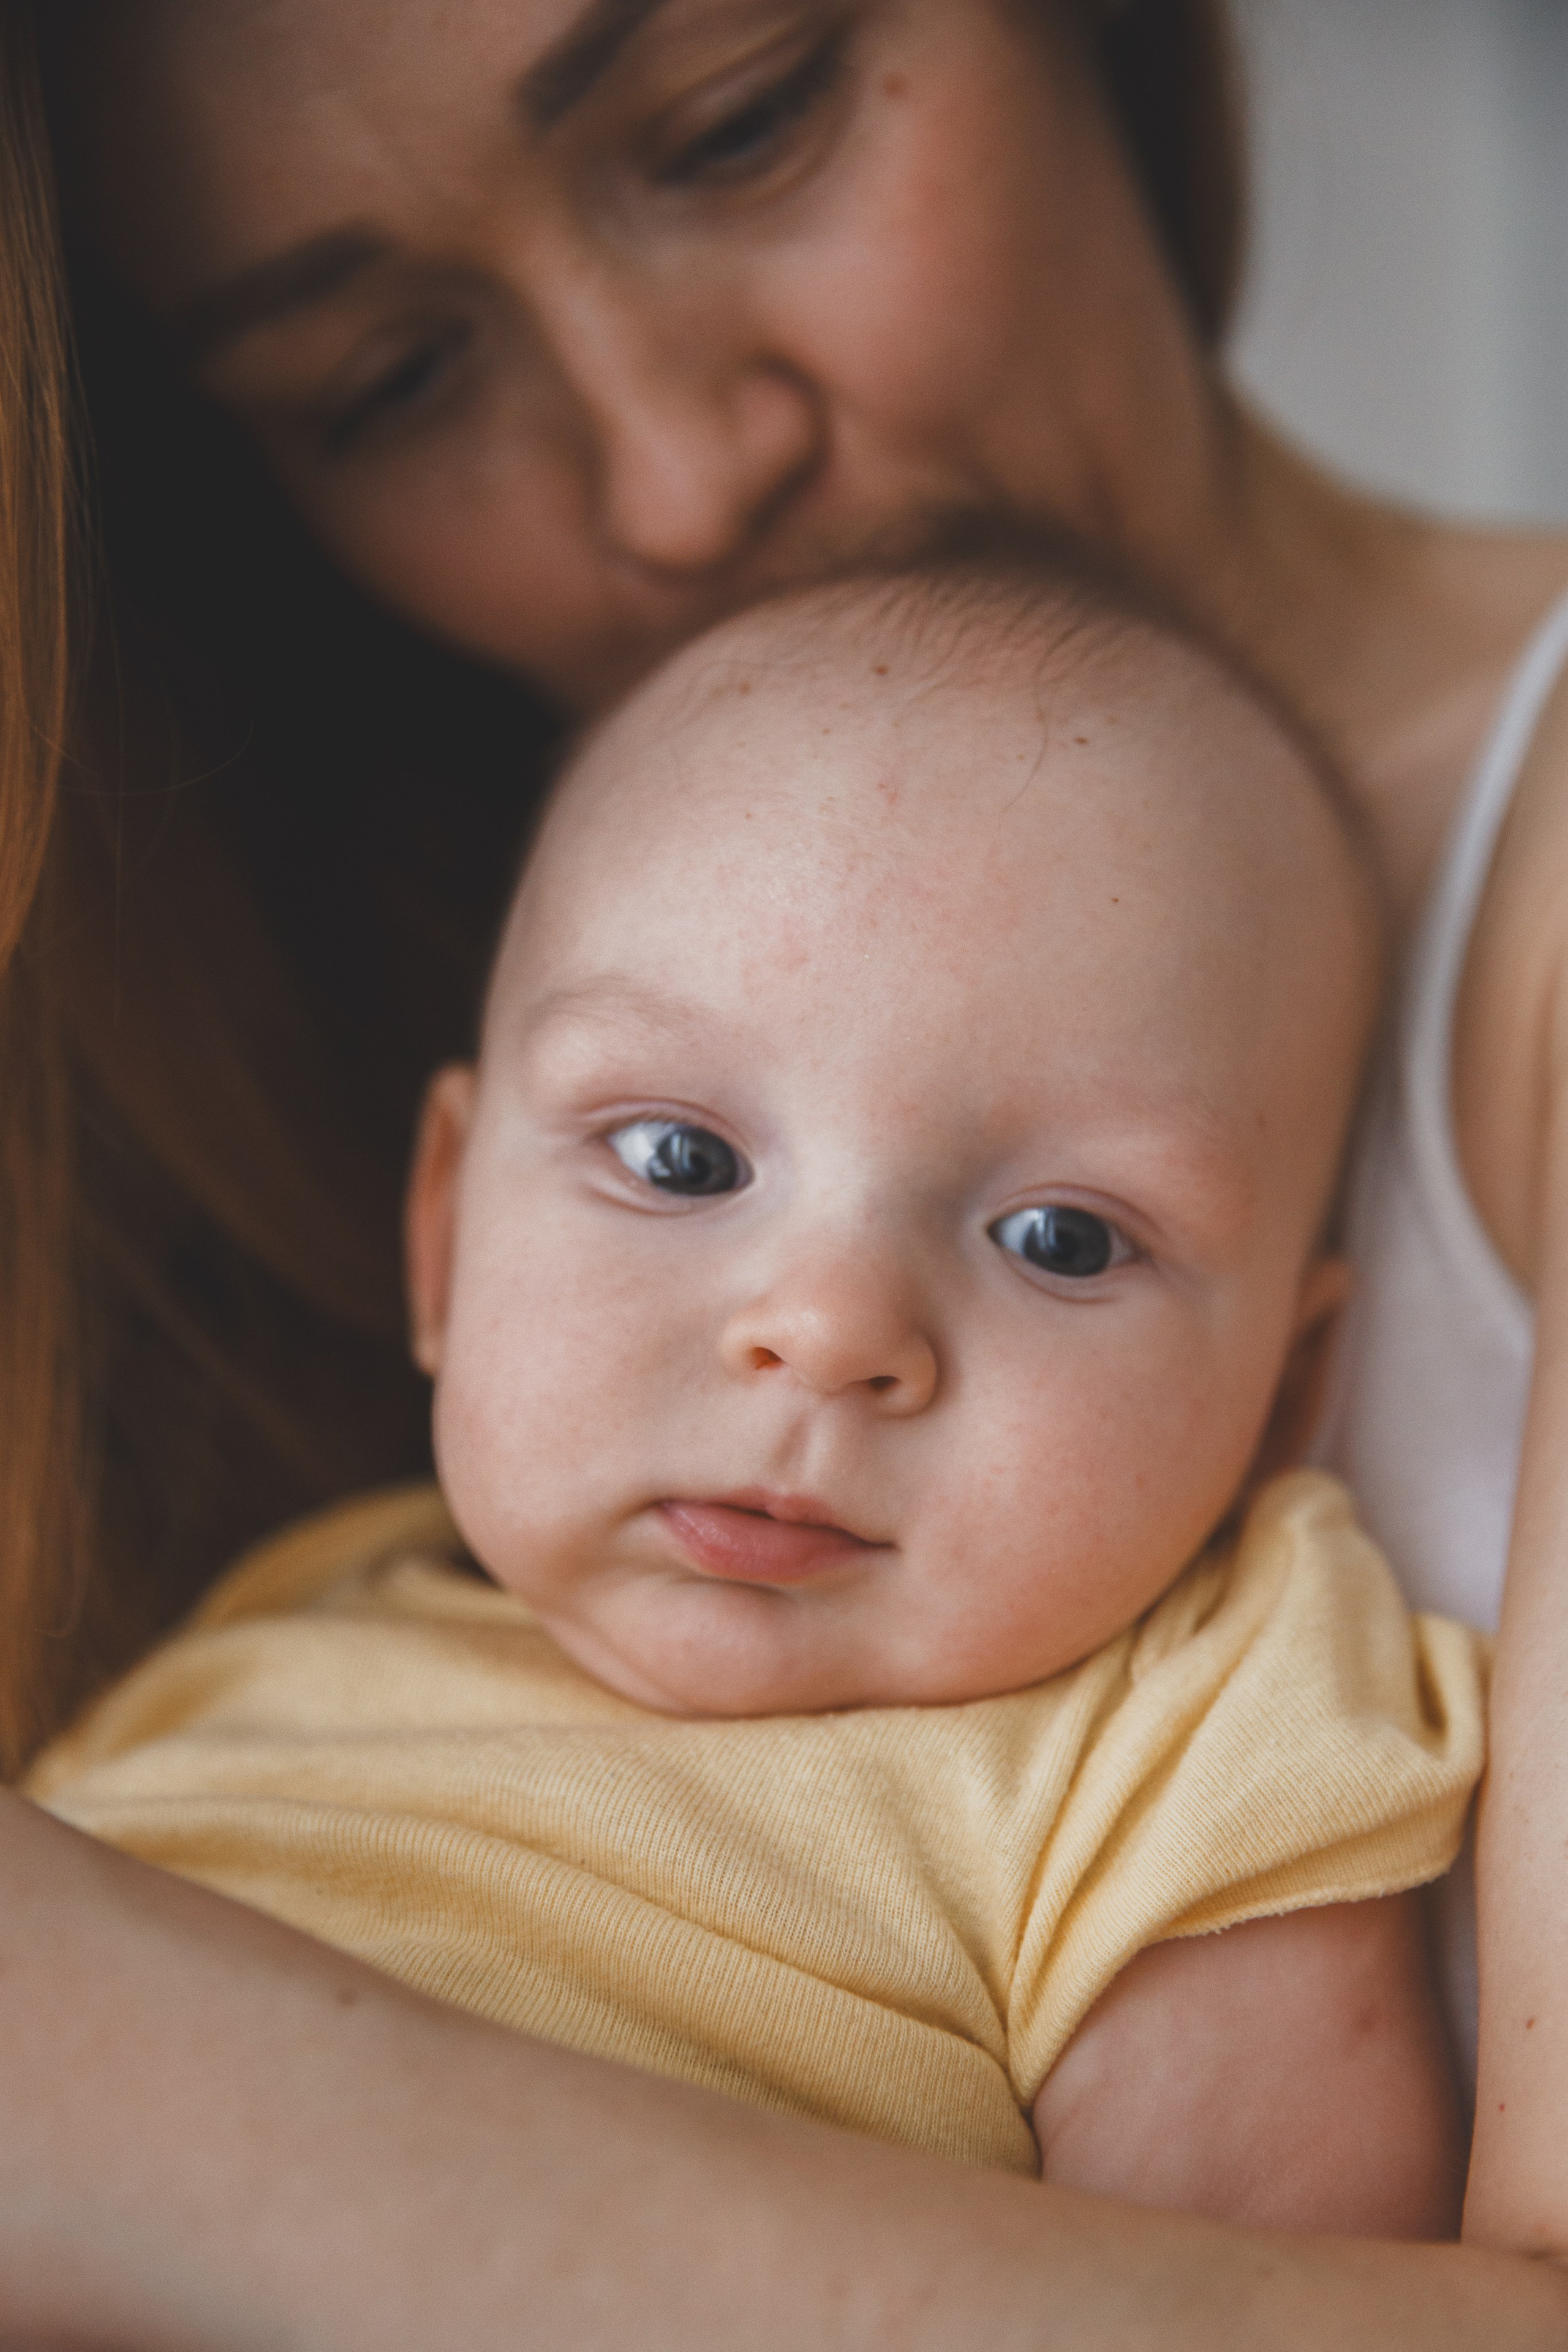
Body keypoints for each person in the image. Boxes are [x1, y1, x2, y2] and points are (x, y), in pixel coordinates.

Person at [4, 0, 1568, 2342]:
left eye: (740, 122)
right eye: (388, 381)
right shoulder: (317, 1562)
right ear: (448, 1219)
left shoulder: (1212, 1724)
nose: (669, 476)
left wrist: (143, 2085)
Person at [29, 556, 1482, 2236]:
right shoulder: (265, 1636)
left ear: (1288, 1394)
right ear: (444, 1239)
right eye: (679, 1156)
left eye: (1064, 1238)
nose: (827, 1327)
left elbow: (1266, 2305)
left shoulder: (1182, 1742)